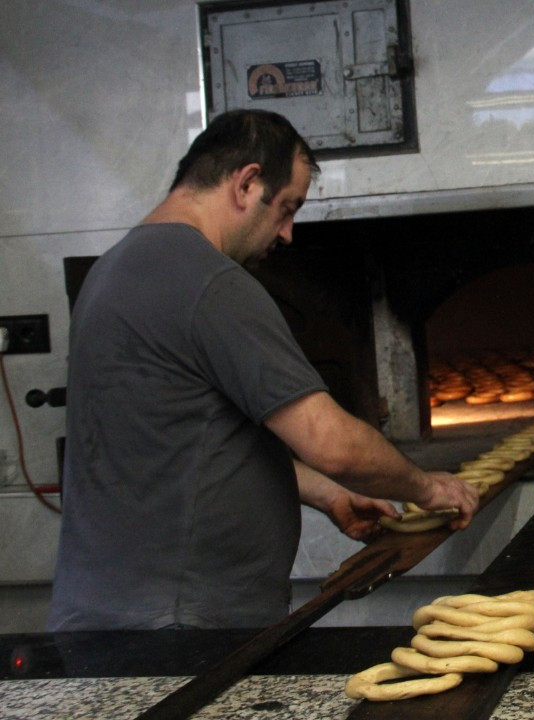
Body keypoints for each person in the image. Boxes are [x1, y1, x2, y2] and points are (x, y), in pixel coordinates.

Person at [48, 109, 479, 631]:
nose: (288, 233)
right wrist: (428, 489)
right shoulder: (210, 282)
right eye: (287, 208)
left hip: (107, 616)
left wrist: (328, 493)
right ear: (247, 183)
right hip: (182, 628)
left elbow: (178, 443)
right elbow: (331, 441)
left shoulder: (114, 270)